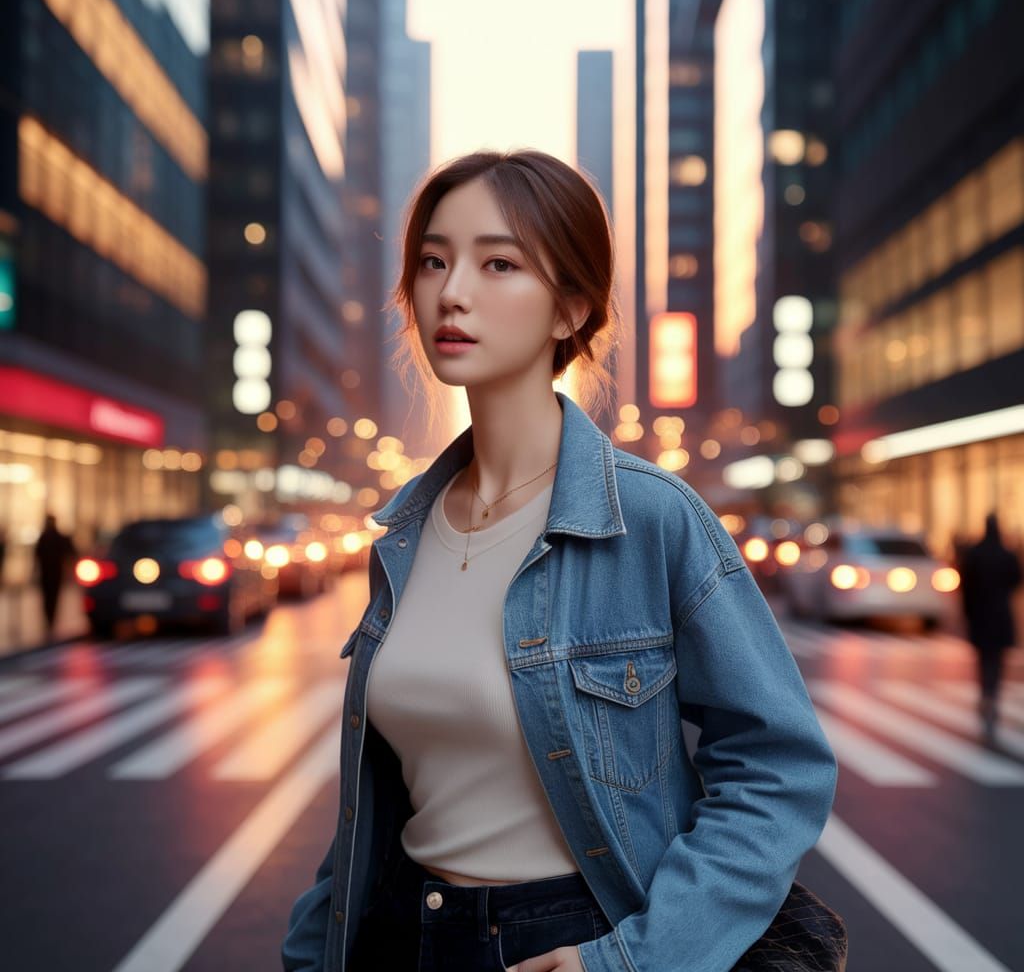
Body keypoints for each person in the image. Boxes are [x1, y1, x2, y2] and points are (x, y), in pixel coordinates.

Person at [281, 150, 838, 972]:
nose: (452, 291)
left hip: (572, 941)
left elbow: (778, 767)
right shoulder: (403, 535)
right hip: (403, 937)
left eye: (498, 263)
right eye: (433, 261)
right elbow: (378, 807)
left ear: (569, 308)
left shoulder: (650, 519)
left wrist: (633, 961)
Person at [958, 513, 1023, 745]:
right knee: (997, 660)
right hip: (1001, 617)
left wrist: (966, 613)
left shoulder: (975, 553)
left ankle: (986, 696)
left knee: (983, 660)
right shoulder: (1007, 554)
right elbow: (1016, 580)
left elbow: (965, 586)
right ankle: (992, 697)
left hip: (980, 616)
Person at [34, 513, 76, 642]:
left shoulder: (50, 537)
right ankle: (49, 620)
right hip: (50, 572)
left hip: (52, 572)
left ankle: (50, 620)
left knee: (50, 597)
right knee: (50, 597)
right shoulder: (48, 537)